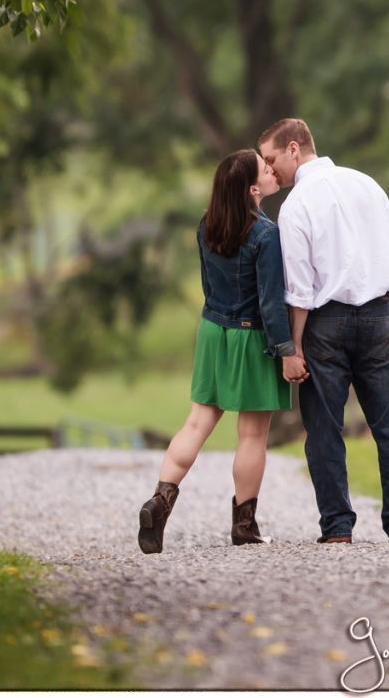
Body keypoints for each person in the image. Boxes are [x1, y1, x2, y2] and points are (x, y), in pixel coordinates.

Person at [138, 149, 306, 555]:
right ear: (253, 189)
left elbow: (209, 287)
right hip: (251, 339)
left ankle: (159, 504)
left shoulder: (205, 227)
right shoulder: (267, 236)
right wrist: (286, 351)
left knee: (196, 423)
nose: (271, 170)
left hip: (213, 332)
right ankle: (244, 527)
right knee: (251, 434)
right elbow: (270, 302)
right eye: (265, 170)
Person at [258, 118, 389, 545]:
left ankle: (338, 528)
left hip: (323, 323)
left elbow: (299, 289)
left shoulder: (296, 205)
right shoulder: (367, 184)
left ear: (294, 149)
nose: (271, 172)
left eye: (272, 161)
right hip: (378, 316)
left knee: (325, 428)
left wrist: (292, 347)